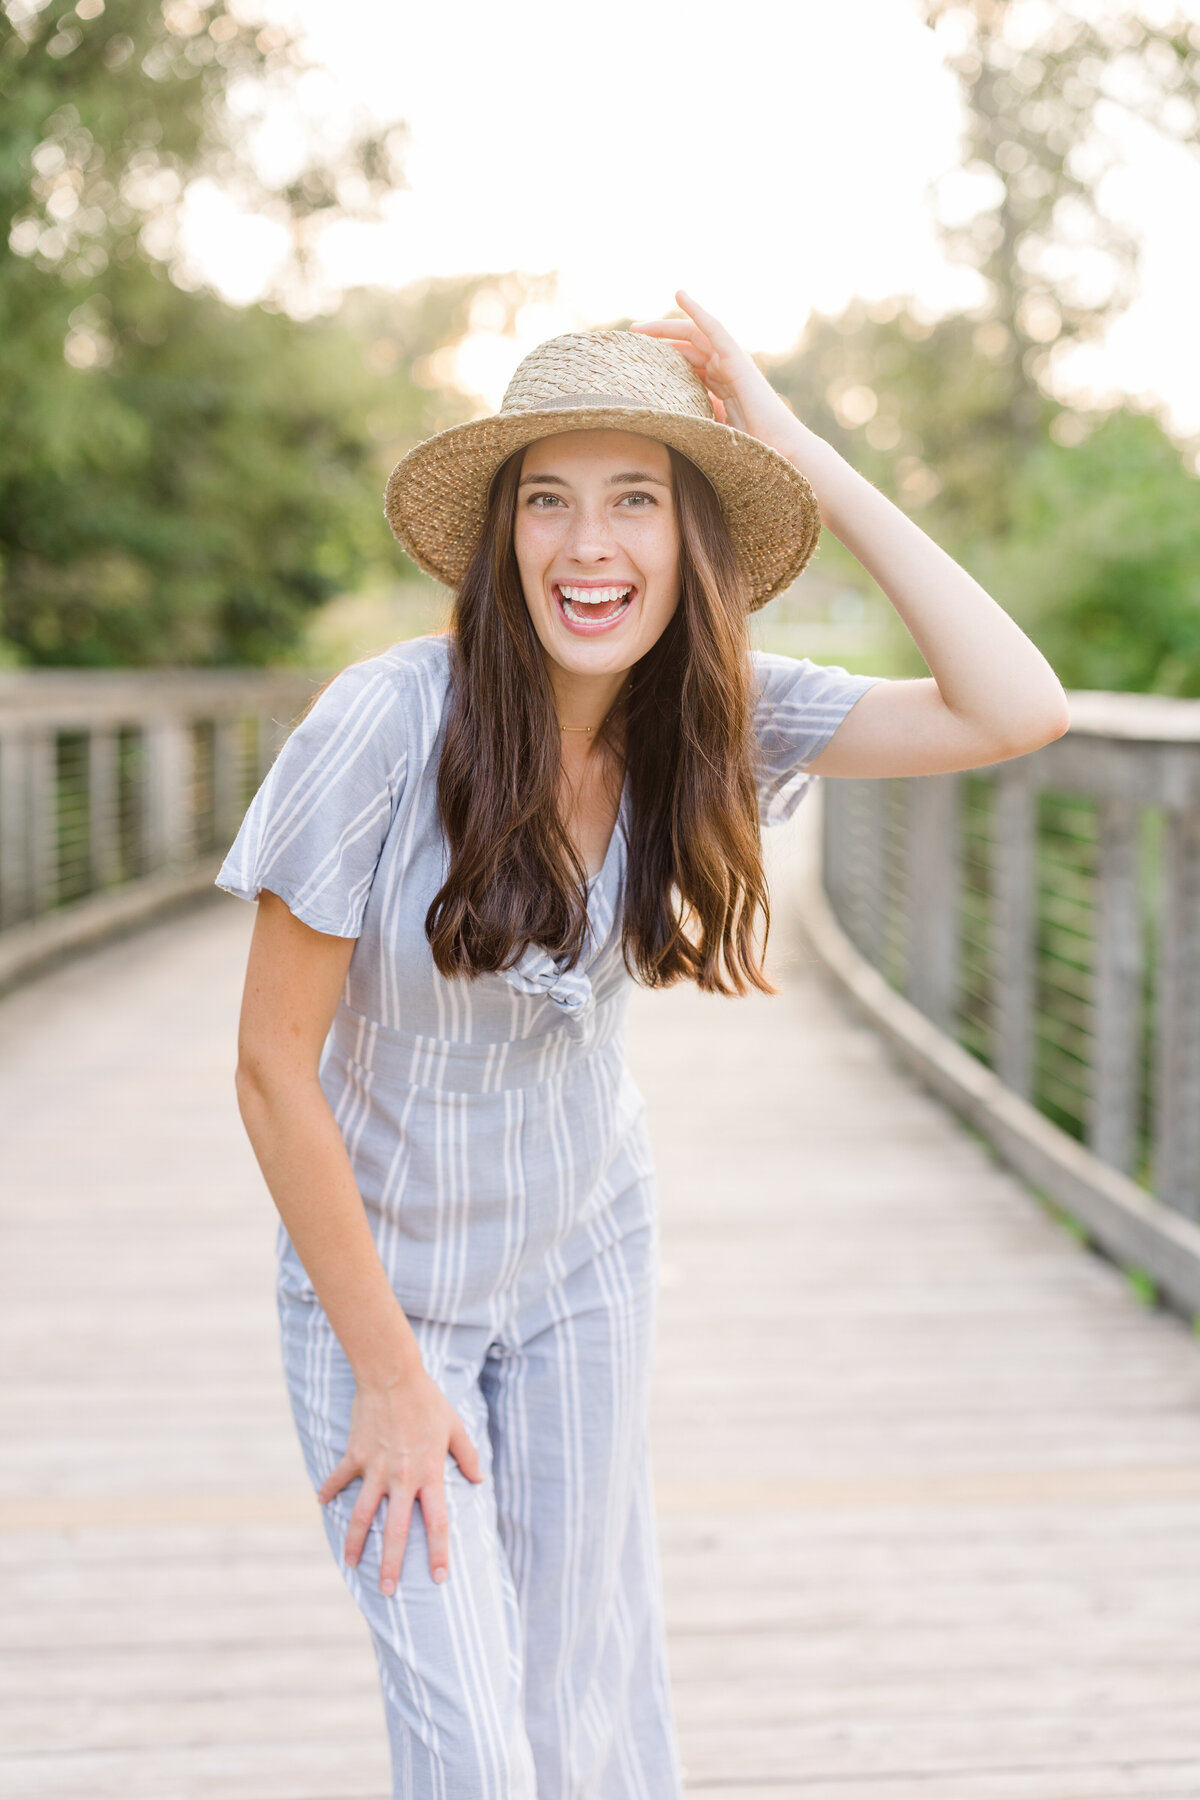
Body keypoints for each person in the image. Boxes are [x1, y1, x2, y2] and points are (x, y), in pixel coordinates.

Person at [215, 291, 1069, 1799]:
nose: (586, 545)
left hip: (582, 1257)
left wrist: (793, 443)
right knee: (475, 1746)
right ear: (501, 537)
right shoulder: (386, 725)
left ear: (693, 546)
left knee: (588, 1711)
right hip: (384, 1283)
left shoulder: (716, 723)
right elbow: (273, 1070)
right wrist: (392, 1373)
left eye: (634, 502)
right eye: (547, 500)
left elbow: (1017, 705)